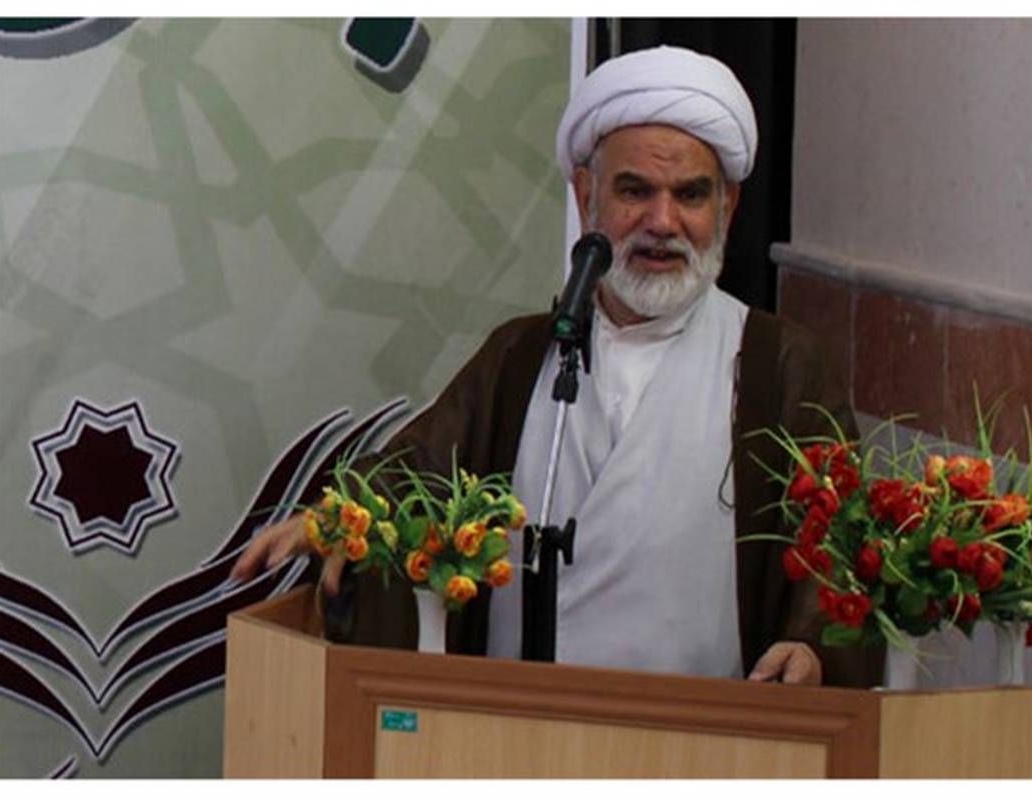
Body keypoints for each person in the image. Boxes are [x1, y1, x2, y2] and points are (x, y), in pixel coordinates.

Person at [232, 46, 883, 688]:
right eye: (635, 190)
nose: (663, 222)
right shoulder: (523, 355)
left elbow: (836, 544)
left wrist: (811, 645)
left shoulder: (778, 361)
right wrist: (343, 519)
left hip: (704, 730)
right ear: (586, 193)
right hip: (521, 724)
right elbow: (420, 471)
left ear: (728, 207)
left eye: (690, 195)